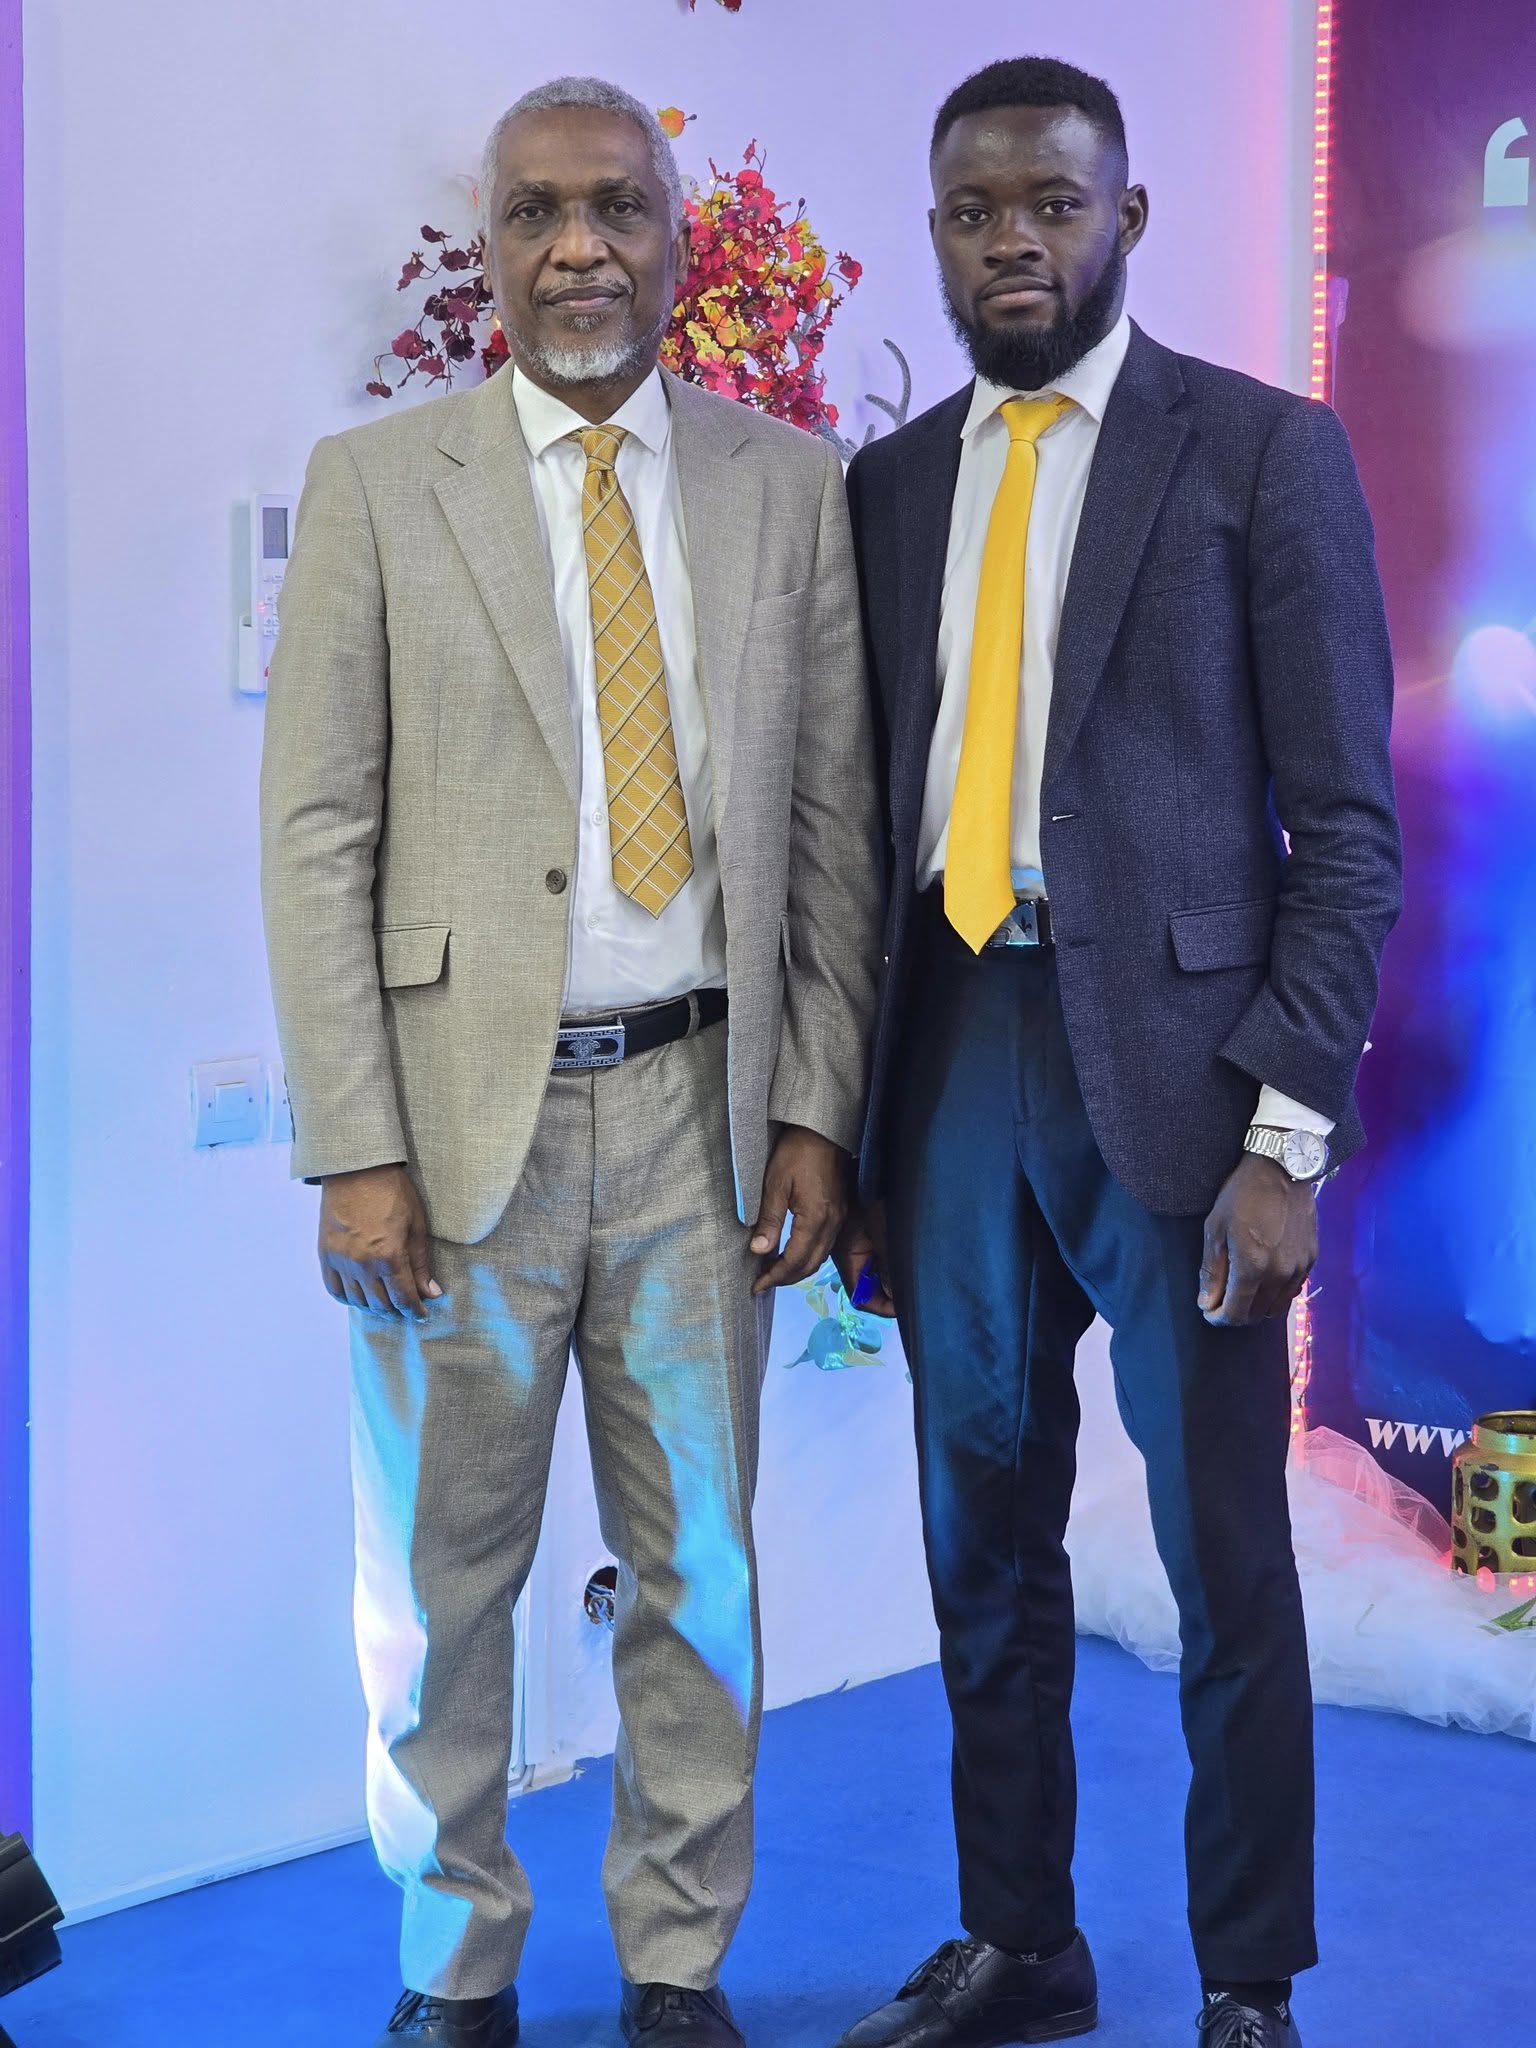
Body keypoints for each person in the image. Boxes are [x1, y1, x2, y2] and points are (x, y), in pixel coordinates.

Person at [261, 75, 880, 2048]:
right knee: (438, 1580)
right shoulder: (379, 484)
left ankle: (679, 1958)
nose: (578, 246)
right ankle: (454, 1962)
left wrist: (815, 1103)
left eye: (616, 205)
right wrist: (354, 1143)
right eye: (536, 211)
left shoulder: (788, 488)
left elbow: (832, 825)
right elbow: (318, 834)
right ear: (494, 246)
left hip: (704, 1121)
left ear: (677, 241)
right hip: (456, 1139)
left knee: (699, 1571)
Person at [833, 55, 1400, 2048]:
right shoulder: (889, 487)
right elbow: (865, 818)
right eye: (977, 209)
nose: (1016, 240)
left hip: (1184, 1079)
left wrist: (1286, 1135)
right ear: (937, 231)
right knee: (980, 1542)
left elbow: (1347, 832)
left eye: (1055, 205)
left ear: (1127, 218)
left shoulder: (1260, 452)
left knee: (1224, 1560)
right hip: (950, 1055)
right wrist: (846, 1125)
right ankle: (1024, 1943)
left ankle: (1249, 1981)